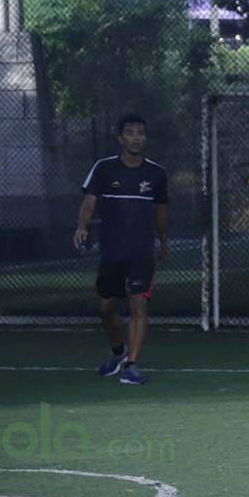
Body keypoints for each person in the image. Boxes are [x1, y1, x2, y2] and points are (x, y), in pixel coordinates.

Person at [74, 114, 168, 385]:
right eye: (131, 133)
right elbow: (89, 203)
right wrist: (82, 226)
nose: (136, 137)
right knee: (106, 308)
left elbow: (160, 213)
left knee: (139, 305)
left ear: (146, 138)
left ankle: (132, 365)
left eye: (141, 133)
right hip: (112, 251)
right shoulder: (103, 169)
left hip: (141, 252)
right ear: (120, 138)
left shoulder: (156, 173)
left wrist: (163, 242)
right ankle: (118, 352)